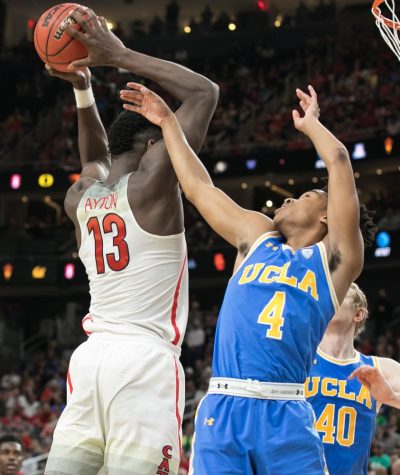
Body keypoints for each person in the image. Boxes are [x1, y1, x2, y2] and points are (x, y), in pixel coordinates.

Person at [120, 82, 376, 474]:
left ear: (327, 217)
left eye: (306, 195)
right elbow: (198, 187)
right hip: (225, 404)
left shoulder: (335, 262)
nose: (289, 198)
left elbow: (339, 160)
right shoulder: (256, 238)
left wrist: (311, 126)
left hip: (286, 410)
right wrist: (168, 121)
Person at [44, 6, 218, 475]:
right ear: (150, 146)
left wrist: (83, 88)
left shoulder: (82, 195)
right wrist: (119, 55)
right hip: (143, 361)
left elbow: (94, 157)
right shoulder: (152, 186)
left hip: (90, 359)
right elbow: (205, 93)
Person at [305, 283, 400, 474]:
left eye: (339, 293)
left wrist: (391, 398)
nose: (330, 297)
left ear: (359, 314)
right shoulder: (299, 358)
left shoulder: (381, 369)